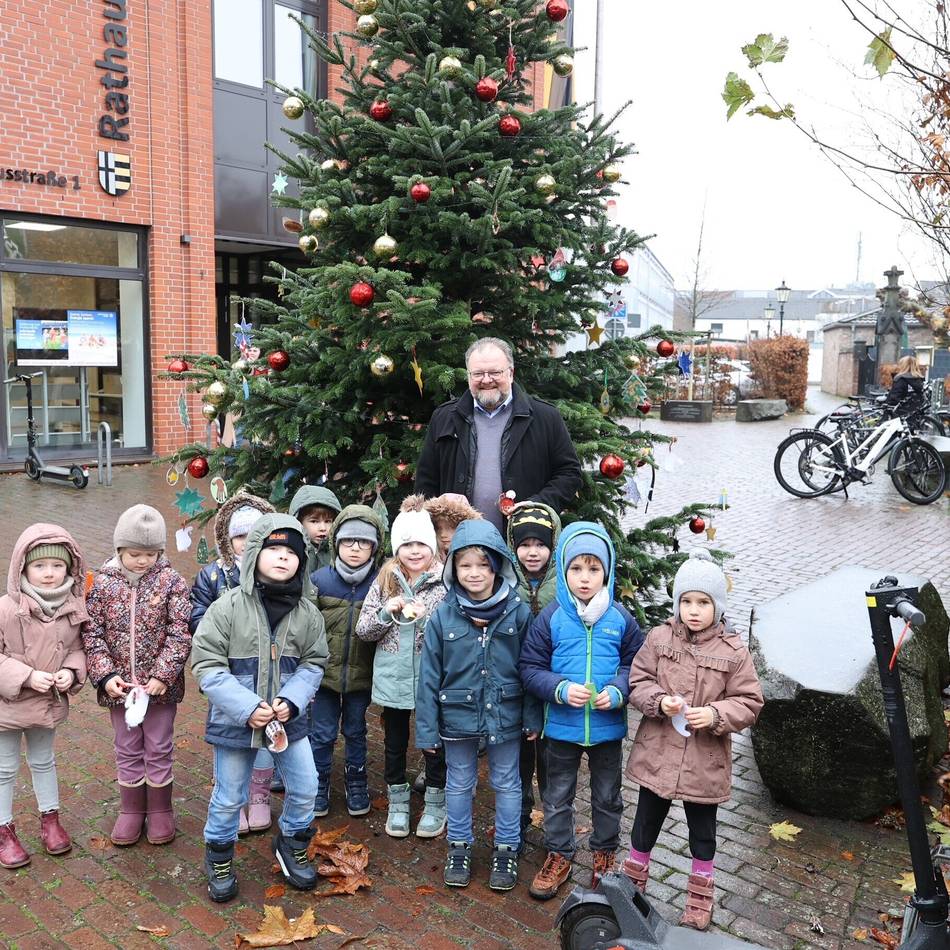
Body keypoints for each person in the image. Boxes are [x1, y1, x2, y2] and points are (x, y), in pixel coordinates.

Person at [623, 549, 763, 930]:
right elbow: (638, 681)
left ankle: (701, 890)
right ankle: (633, 880)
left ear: (717, 605)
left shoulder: (734, 652)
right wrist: (658, 701)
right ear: (677, 602)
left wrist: (716, 714)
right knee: (645, 821)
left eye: (703, 602)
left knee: (703, 830)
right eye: (686, 601)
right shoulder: (659, 637)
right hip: (659, 754)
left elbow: (749, 701)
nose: (694, 610)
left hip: (704, 760)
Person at [191, 515, 328, 902]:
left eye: (291, 553)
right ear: (254, 554)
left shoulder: (307, 613)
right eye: (273, 550)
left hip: (289, 721)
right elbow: (207, 664)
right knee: (230, 796)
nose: (283, 558)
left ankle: (291, 842)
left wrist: (293, 699)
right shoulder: (227, 607)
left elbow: (314, 662)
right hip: (235, 721)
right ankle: (218, 854)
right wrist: (246, 706)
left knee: (305, 788)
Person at [519, 521, 643, 901]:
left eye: (593, 569)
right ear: (563, 569)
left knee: (608, 796)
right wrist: (558, 689)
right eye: (576, 569)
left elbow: (636, 665)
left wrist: (618, 692)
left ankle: (604, 854)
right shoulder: (552, 617)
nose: (585, 578)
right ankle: (560, 852)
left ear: (607, 570)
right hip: (562, 728)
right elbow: (530, 667)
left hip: (606, 729)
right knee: (557, 795)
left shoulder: (620, 618)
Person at [416, 519, 539, 891]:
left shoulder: (517, 612)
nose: (474, 573)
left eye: (483, 565)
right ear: (453, 568)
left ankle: (506, 845)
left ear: (497, 565)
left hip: (507, 713)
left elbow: (530, 668)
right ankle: (459, 844)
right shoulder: (443, 615)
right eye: (465, 565)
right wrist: (426, 728)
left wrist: (533, 716)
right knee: (459, 781)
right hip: (457, 715)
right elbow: (428, 676)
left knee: (507, 780)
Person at [82, 505, 192, 848]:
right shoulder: (101, 584)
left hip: (158, 690)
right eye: (134, 554)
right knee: (127, 748)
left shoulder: (171, 582)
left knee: (158, 746)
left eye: (150, 554)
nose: (142, 561)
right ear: (119, 550)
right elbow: (92, 633)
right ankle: (131, 809)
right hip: (121, 690)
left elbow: (180, 632)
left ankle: (160, 809)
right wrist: (105, 676)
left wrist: (163, 674)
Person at [414, 338, 582, 532]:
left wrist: (535, 506)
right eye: (478, 373)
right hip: (460, 544)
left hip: (523, 542)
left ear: (510, 373)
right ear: (469, 376)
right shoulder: (444, 418)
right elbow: (425, 481)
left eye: (495, 372)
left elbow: (569, 473)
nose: (486, 380)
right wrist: (438, 508)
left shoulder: (545, 417)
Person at [355, 497, 448, 838]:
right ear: (397, 547)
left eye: (421, 544)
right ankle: (398, 800)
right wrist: (385, 612)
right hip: (393, 680)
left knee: (433, 743)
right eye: (406, 544)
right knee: (394, 742)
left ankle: (437, 802)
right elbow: (363, 630)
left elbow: (454, 629)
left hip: (430, 680)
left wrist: (429, 620)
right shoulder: (385, 581)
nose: (414, 551)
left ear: (432, 546)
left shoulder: (444, 582)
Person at [0, 526, 88, 869]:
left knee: (43, 761)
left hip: (46, 704)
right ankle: (4, 830)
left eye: (57, 565)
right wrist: (26, 676)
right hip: (7, 705)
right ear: (22, 568)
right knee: (5, 769)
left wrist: (71, 670)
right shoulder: (6, 608)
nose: (49, 573)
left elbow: (77, 648)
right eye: (39, 566)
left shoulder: (71, 608)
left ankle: (50, 820)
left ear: (69, 569)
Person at [189, 492, 275, 835]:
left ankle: (259, 795)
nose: (248, 543)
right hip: (228, 670)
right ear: (228, 539)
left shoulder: (277, 571)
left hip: (266, 669)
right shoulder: (213, 576)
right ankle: (232, 794)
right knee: (228, 730)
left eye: (257, 536)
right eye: (241, 536)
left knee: (267, 727)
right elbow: (196, 616)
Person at [310, 505, 385, 819]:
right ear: (336, 543)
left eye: (364, 543)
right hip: (324, 678)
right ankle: (318, 781)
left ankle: (356, 779)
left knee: (355, 730)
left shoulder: (381, 583)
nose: (356, 549)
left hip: (361, 677)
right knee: (322, 732)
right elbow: (306, 628)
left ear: (375, 547)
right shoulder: (319, 581)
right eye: (348, 541)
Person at [506, 501, 561, 840]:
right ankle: (521, 813)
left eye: (540, 544)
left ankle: (555, 819)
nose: (532, 552)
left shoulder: (564, 583)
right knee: (518, 756)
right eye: (525, 544)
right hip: (514, 684)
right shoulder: (505, 581)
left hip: (551, 685)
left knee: (551, 759)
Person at [289, 486, 343, 574]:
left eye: (328, 521)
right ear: (299, 522)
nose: (323, 528)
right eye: (314, 521)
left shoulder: (340, 551)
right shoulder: (292, 551)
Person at [423, 493, 482, 562]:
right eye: (438, 528)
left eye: (451, 527)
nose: (443, 534)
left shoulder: (478, 560)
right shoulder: (426, 562)